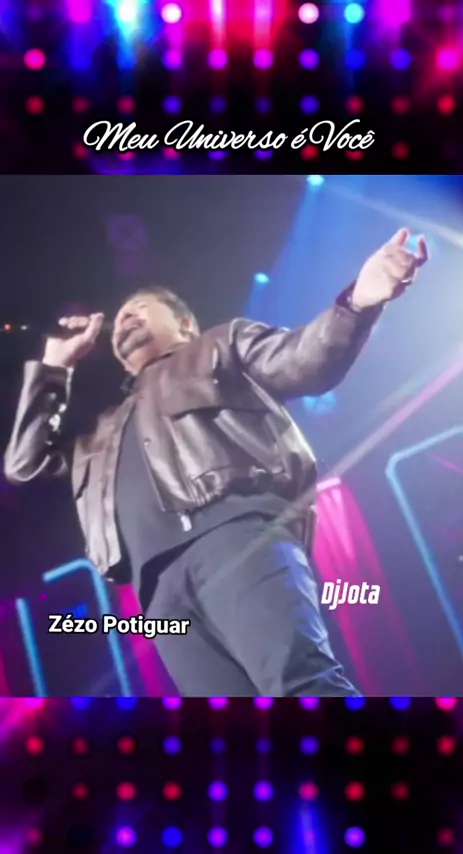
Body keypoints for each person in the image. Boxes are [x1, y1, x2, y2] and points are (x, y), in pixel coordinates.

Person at [4, 228, 428, 697]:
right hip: (155, 593)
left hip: (235, 539)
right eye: (121, 316)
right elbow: (24, 463)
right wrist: (55, 367)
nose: (125, 318)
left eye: (140, 308)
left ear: (185, 324)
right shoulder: (102, 428)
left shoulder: (219, 345)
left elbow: (304, 359)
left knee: (300, 684)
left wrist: (358, 302)